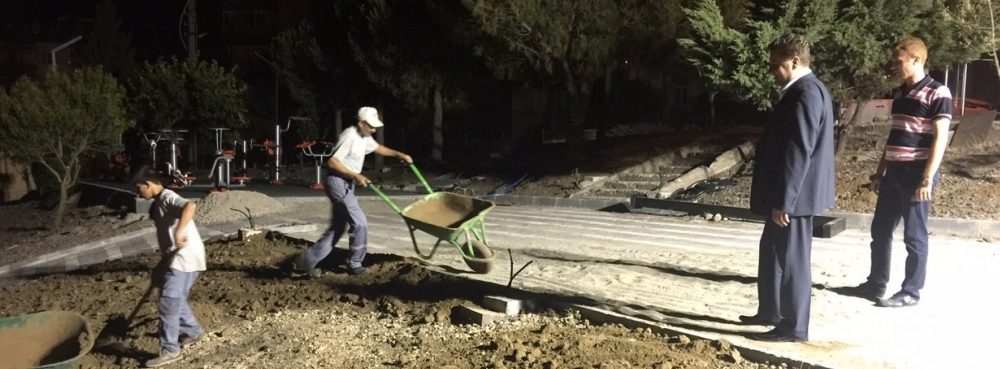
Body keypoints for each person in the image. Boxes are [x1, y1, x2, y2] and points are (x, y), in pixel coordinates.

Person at [740, 33, 835, 343]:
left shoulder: (806, 93)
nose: (772, 72)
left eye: (776, 65)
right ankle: (770, 311)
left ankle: (794, 328)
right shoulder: (801, 90)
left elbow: (799, 150)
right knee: (771, 252)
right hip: (787, 195)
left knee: (792, 261)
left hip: (794, 198)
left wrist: (785, 201)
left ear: (795, 61)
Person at [851, 37, 952, 308]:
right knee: (880, 230)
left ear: (916, 60)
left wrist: (926, 177)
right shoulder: (900, 94)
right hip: (894, 173)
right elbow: (894, 137)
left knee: (914, 236)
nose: (894, 66)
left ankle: (911, 292)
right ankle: (876, 283)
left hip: (917, 173)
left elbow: (940, 139)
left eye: (899, 61)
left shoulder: (938, 93)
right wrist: (879, 172)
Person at [293, 107, 412, 277]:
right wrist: (355, 175)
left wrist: (399, 154)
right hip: (338, 182)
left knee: (337, 228)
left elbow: (378, 148)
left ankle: (306, 261)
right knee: (360, 222)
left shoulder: (365, 136)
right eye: (370, 126)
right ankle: (355, 262)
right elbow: (333, 162)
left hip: (346, 182)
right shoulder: (349, 136)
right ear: (361, 123)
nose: (373, 129)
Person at [132, 166, 207, 367]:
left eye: (139, 188)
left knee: (169, 303)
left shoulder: (167, 197)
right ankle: (194, 332)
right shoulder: (160, 200)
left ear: (148, 184)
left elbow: (190, 206)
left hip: (183, 259)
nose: (138, 192)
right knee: (175, 299)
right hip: (183, 258)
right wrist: (161, 265)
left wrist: (179, 231)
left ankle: (170, 350)